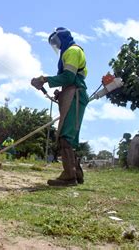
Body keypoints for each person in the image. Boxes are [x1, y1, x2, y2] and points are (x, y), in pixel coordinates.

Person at [31, 27, 88, 186]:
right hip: (73, 94)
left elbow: (69, 76)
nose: (56, 46)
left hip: (75, 95)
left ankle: (69, 176)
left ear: (63, 38)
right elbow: (71, 78)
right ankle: (76, 173)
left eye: (56, 42)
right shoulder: (73, 52)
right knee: (69, 136)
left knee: (65, 136)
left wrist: (45, 79)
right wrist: (60, 93)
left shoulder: (72, 51)